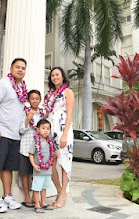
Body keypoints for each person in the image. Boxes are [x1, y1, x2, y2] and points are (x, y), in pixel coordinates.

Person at [0, 58, 28, 213]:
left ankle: (7, 196)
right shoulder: (2, 84)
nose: (20, 70)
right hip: (0, 133)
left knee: (8, 167)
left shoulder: (22, 88)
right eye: (17, 67)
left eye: (23, 68)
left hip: (14, 135)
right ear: (11, 68)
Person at [44, 67, 75, 208]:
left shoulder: (68, 92)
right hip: (50, 132)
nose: (55, 77)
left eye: (57, 75)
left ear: (63, 76)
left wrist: (65, 135)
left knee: (64, 163)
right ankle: (59, 191)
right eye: (52, 75)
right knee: (51, 164)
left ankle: (63, 194)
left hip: (63, 131)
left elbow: (69, 115)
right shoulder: (49, 95)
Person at [19, 89, 45, 208]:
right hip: (25, 148)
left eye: (37, 98)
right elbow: (21, 130)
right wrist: (28, 118)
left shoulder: (42, 114)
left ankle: (36, 198)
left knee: (36, 174)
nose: (34, 100)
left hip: (37, 150)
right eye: (32, 98)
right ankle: (27, 196)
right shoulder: (24, 112)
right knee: (25, 173)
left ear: (40, 100)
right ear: (28, 100)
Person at [28, 119, 58, 213]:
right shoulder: (36, 141)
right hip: (39, 170)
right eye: (43, 128)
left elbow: (51, 154)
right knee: (37, 188)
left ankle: (43, 203)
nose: (46, 130)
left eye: (48, 129)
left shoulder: (50, 142)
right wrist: (34, 165)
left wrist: (55, 154)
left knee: (44, 187)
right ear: (37, 129)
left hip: (48, 170)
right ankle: (37, 204)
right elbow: (31, 154)